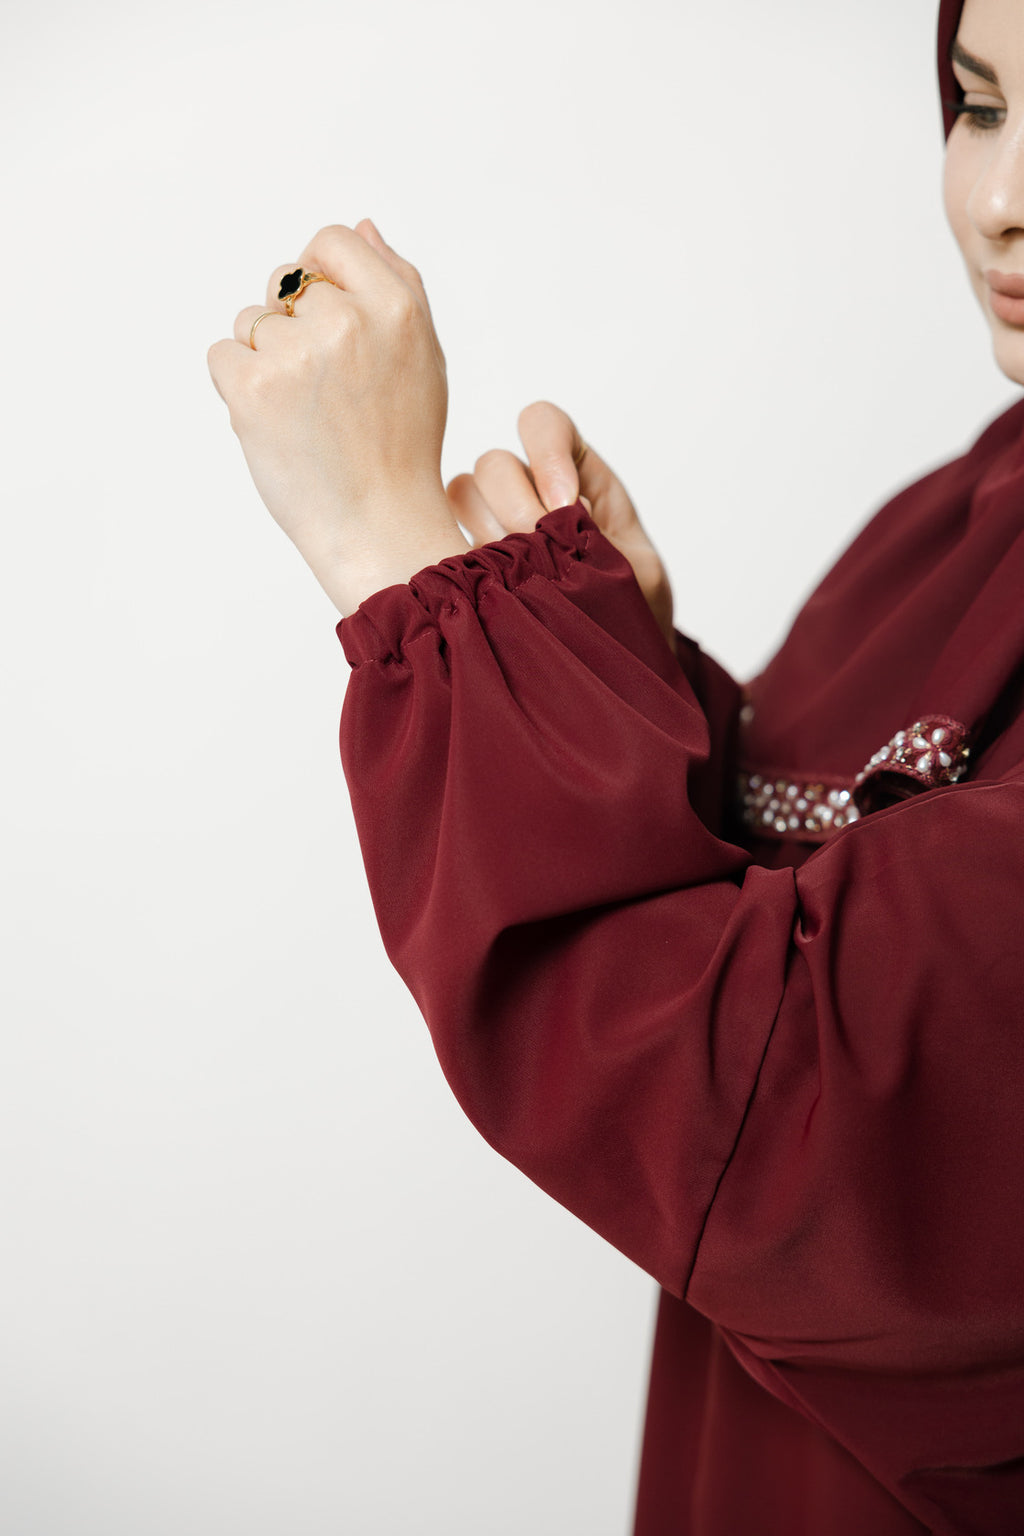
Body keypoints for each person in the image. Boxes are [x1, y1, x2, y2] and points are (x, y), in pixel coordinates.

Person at [206, 0, 1024, 1528]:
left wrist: (390, 553)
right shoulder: (966, 509)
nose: (997, 198)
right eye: (980, 105)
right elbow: (843, 895)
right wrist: (632, 683)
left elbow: (788, 1114)